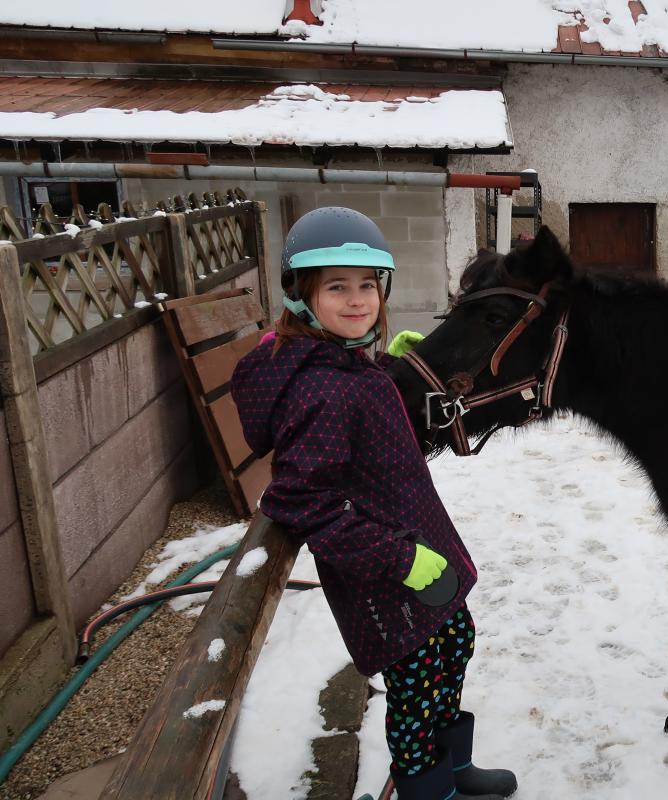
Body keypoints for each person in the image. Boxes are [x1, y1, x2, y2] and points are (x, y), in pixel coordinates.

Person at [231, 207, 516, 800]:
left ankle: (454, 771)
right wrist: (400, 561)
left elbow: (353, 427)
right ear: (302, 295)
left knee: (455, 643)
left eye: (367, 284)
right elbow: (301, 498)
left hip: (415, 551)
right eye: (337, 286)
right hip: (387, 578)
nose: (358, 299)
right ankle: (425, 789)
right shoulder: (322, 388)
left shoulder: (339, 362)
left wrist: (389, 370)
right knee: (416, 691)